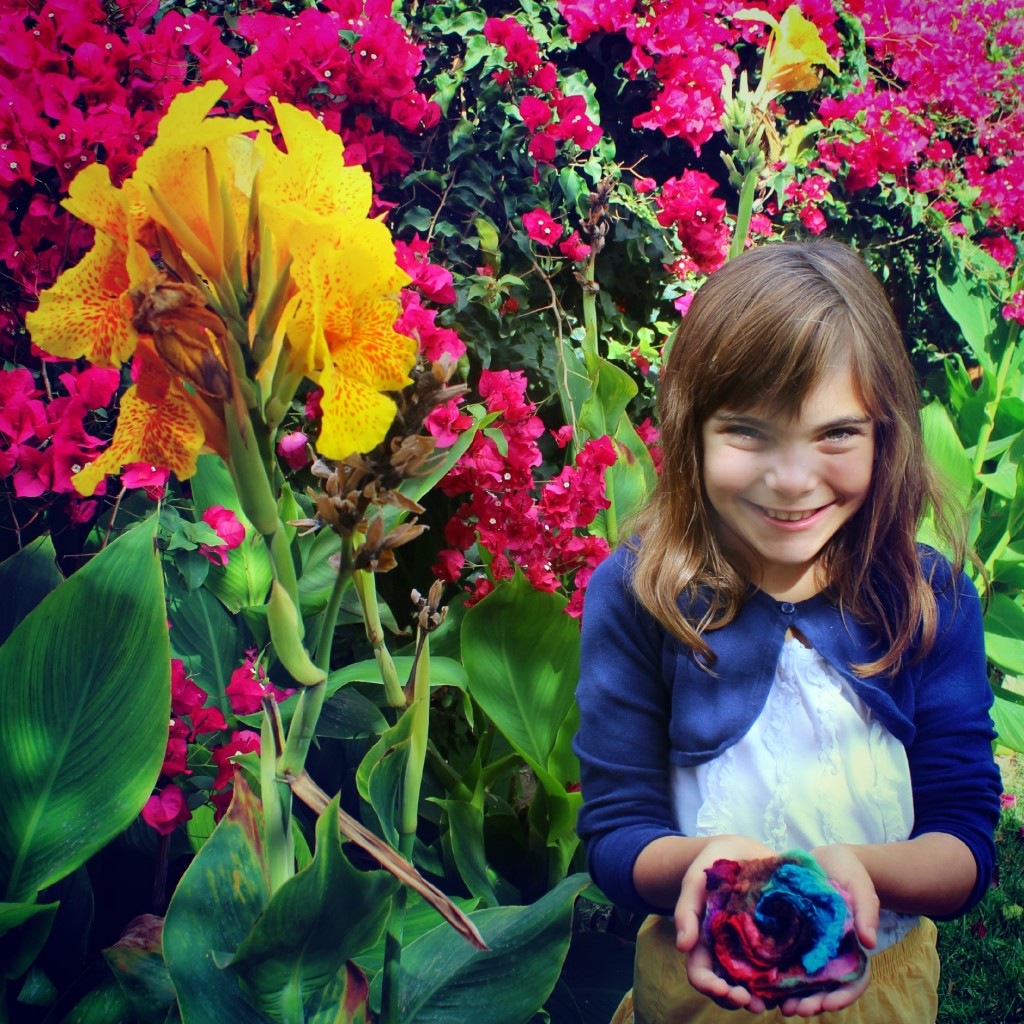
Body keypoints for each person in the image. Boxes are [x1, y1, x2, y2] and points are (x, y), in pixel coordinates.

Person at [574, 239, 1002, 1023]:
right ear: (691, 428)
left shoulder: (925, 597)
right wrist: (705, 865)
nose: (793, 479)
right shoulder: (642, 595)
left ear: (885, 433)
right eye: (748, 432)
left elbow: (967, 841)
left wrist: (860, 874)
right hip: (694, 989)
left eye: (836, 434)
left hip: (884, 989)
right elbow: (615, 833)